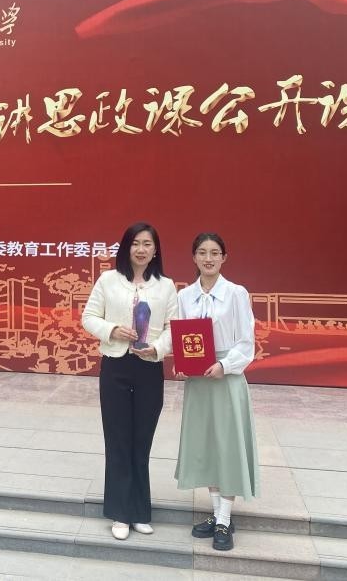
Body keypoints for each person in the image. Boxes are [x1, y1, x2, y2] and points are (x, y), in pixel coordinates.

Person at [82, 222, 179, 540]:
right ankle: (120, 513)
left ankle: (139, 512)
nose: (141, 249)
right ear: (126, 247)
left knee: (142, 441)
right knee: (118, 440)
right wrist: (112, 330)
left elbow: (174, 327)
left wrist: (158, 348)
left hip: (149, 367)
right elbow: (88, 317)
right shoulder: (108, 280)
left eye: (147, 244)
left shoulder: (166, 286)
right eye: (135, 243)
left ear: (156, 250)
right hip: (116, 366)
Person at [174, 232, 260, 551]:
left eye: (214, 252)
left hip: (227, 378)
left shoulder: (236, 293)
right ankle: (216, 512)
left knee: (228, 446)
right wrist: (181, 363)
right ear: (194, 257)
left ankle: (224, 519)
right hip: (199, 382)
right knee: (207, 445)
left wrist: (225, 365)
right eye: (202, 252)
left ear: (224, 257)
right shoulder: (185, 296)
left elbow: (246, 342)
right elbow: (183, 337)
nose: (208, 258)